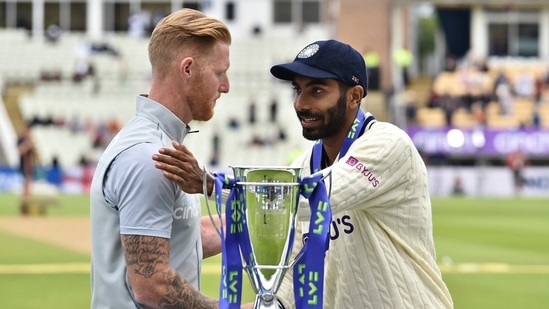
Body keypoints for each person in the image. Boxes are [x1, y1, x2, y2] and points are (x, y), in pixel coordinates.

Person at [153, 40, 453, 308]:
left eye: (317, 90)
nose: (301, 103)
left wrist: (213, 185)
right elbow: (293, 256)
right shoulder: (305, 164)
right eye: (298, 89)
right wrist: (270, 304)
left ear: (354, 96)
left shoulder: (388, 144)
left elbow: (314, 199)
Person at [89, 8, 231, 309]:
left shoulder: (160, 144)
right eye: (219, 73)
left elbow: (187, 235)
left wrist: (264, 222)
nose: (226, 86)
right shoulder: (149, 156)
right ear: (188, 69)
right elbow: (152, 285)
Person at [16, 122, 35, 215]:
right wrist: (27, 144)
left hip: (29, 166)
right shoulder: (20, 140)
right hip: (22, 166)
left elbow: (34, 152)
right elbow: (20, 151)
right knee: (24, 187)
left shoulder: (30, 140)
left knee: (28, 187)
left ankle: (26, 209)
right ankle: (23, 209)